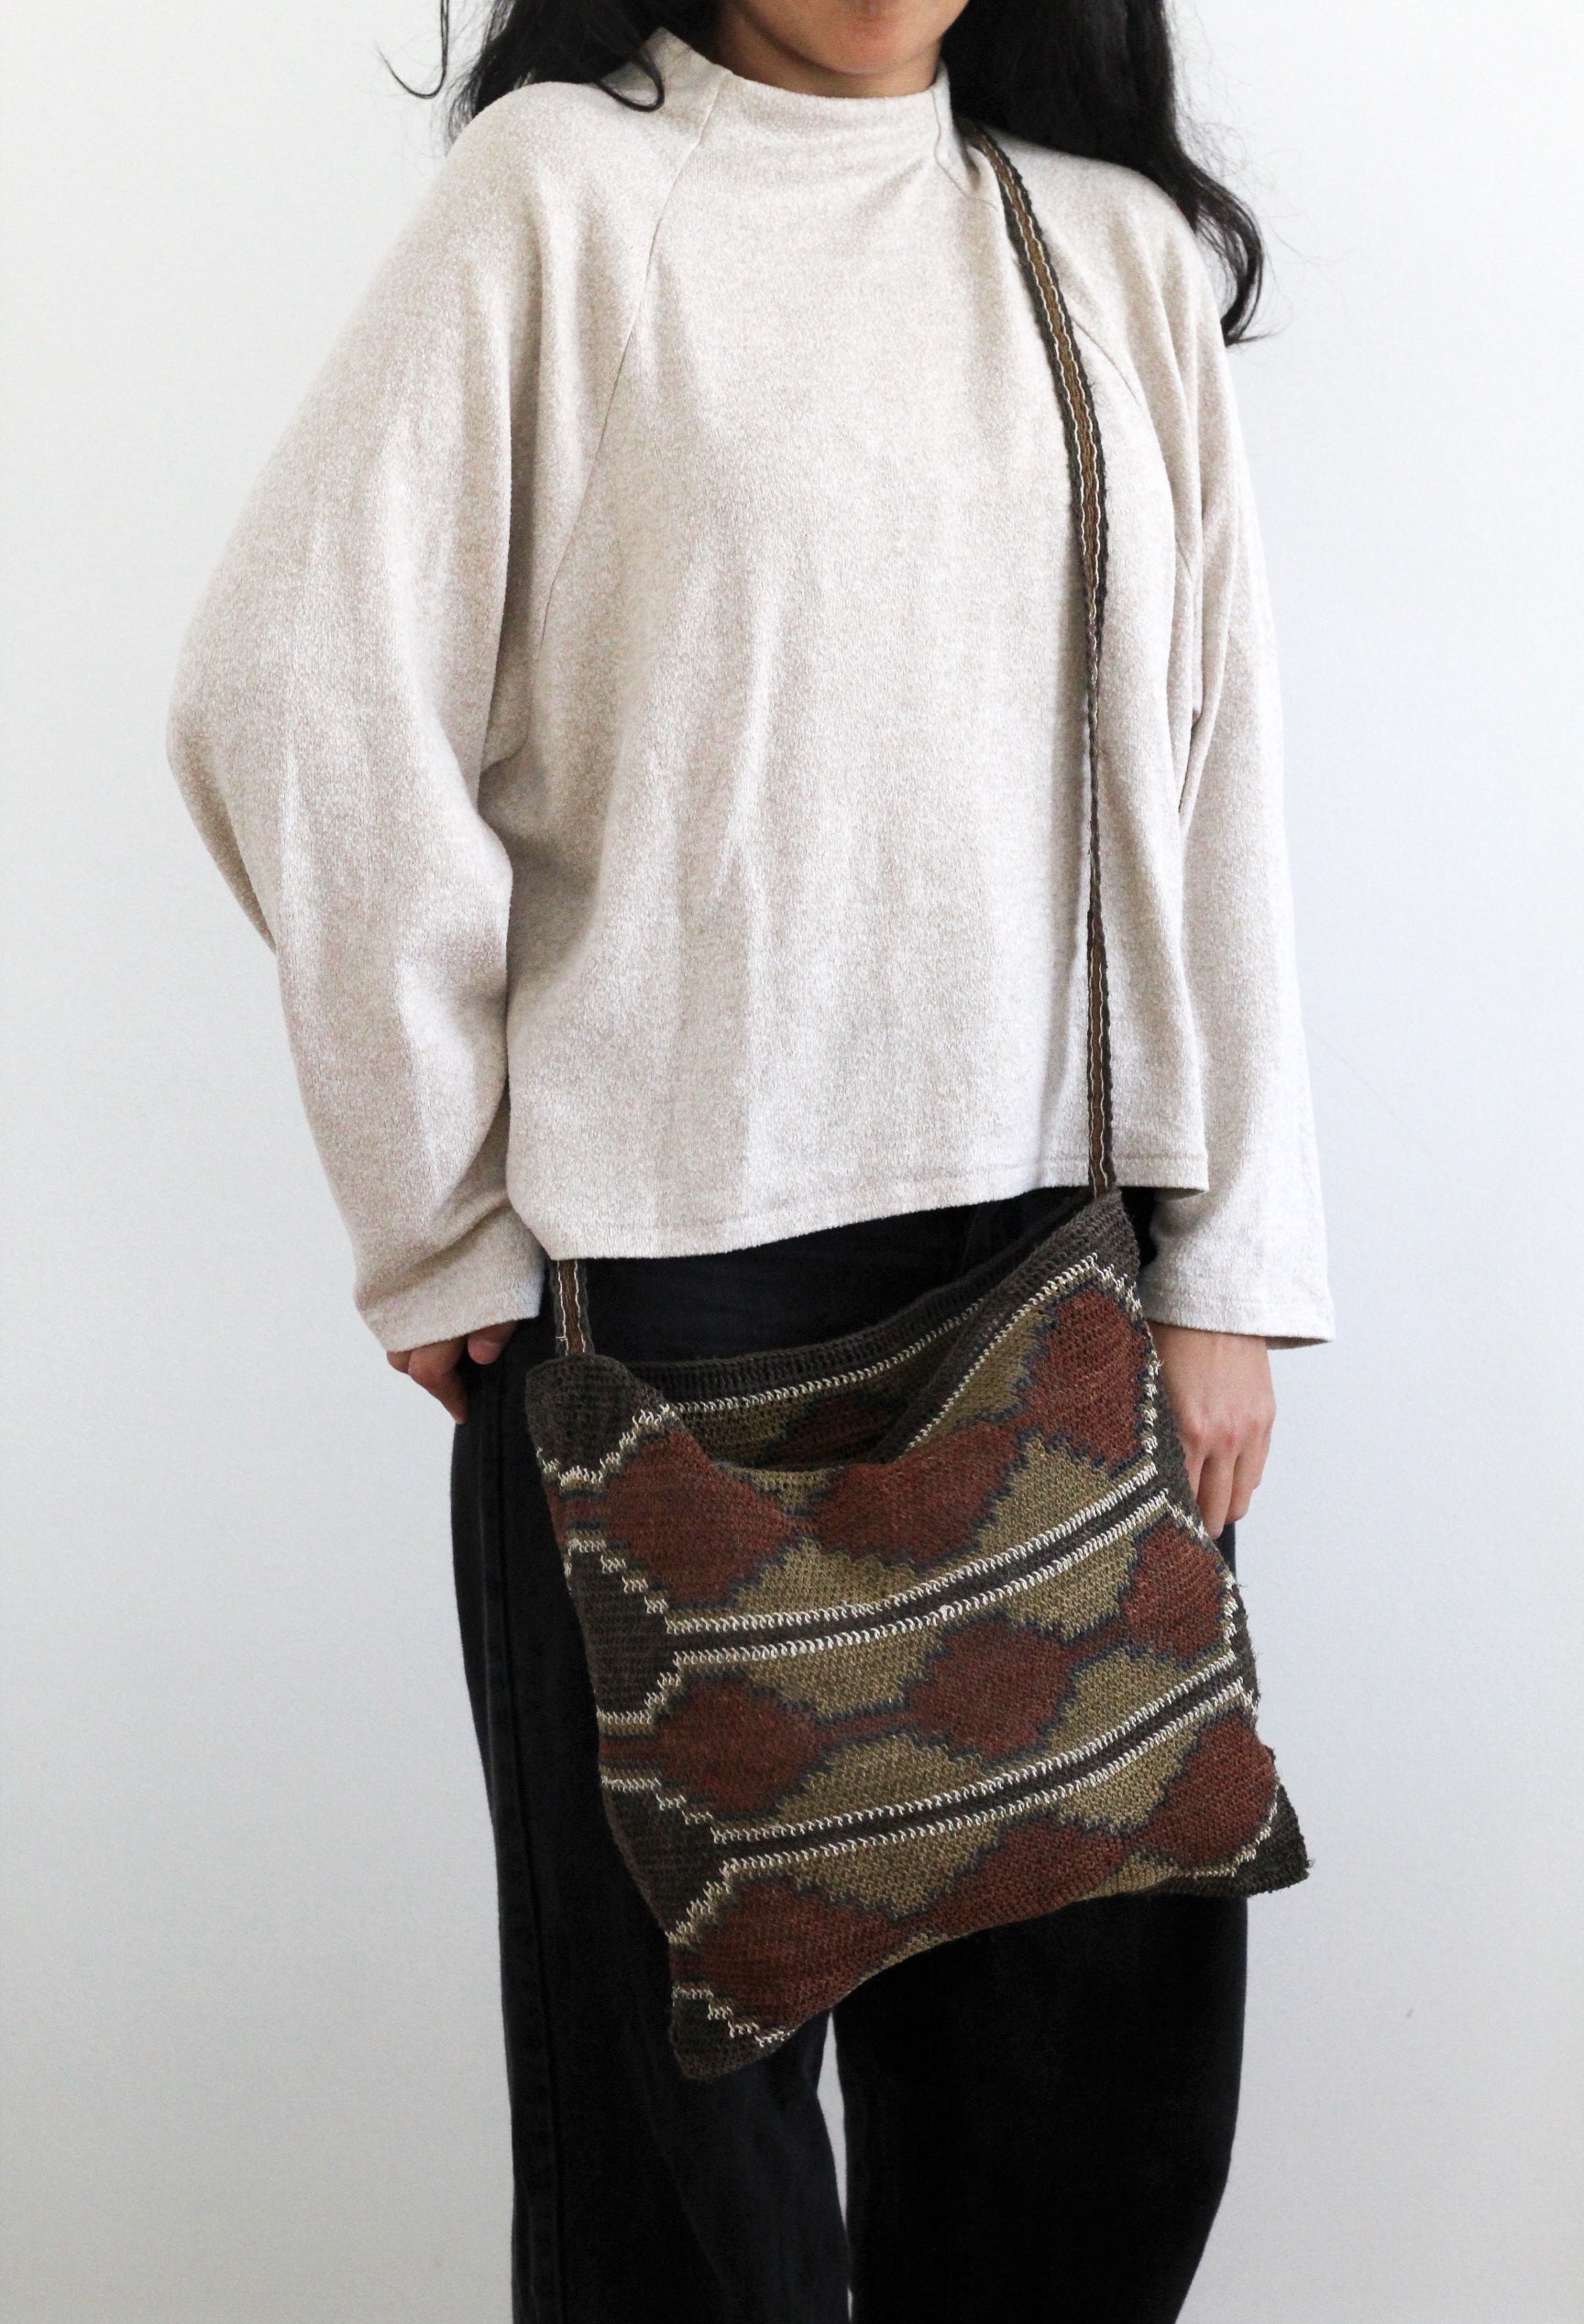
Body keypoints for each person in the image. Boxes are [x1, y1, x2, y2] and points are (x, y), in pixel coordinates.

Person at [169, 0, 1333, 2313]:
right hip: (664, 1331)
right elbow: (294, 683)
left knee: (1085, 2129)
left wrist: (1229, 1268)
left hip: (1060, 1288)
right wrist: (438, 1215)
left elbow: (1220, 779)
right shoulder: (566, 200)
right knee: (685, 2203)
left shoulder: (1099, 250)